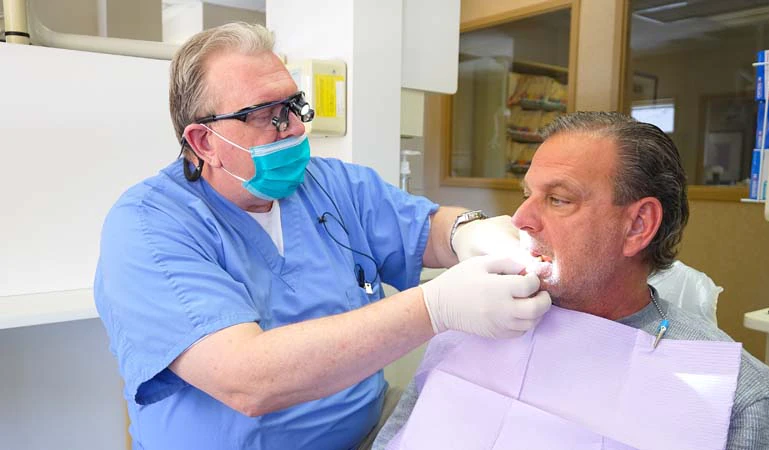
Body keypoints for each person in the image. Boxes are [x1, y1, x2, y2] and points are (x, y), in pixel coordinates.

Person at [93, 22, 552, 450]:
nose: (295, 127)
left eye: (294, 106)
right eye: (268, 115)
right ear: (204, 142)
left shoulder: (330, 185)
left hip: (368, 431)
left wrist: (467, 232)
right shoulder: (149, 227)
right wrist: (435, 307)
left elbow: (425, 229)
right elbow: (246, 379)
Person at [374, 112, 769, 449]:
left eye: (558, 199)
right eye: (527, 195)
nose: (521, 220)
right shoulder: (477, 323)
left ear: (637, 226)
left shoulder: (738, 399)